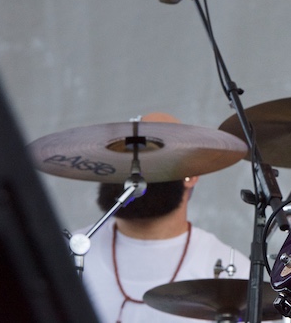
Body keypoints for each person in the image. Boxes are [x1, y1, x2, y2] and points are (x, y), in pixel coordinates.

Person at [78, 113, 251, 323]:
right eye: (125, 151)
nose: (134, 163)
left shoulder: (234, 274)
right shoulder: (67, 255)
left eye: (152, 150)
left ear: (191, 175)